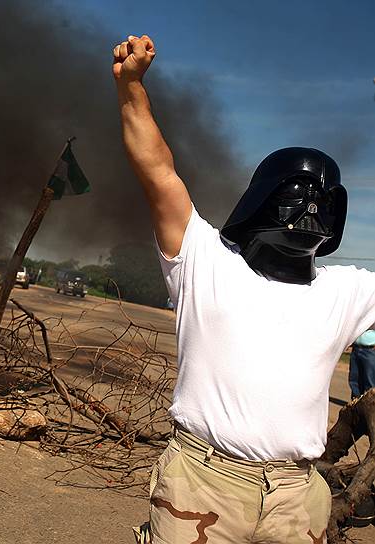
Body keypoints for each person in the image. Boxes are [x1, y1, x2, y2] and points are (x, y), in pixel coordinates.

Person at [113, 35, 375, 543]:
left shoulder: (348, 292)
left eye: (325, 200)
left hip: (297, 493)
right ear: (262, 200)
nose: (313, 208)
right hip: (203, 484)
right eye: (300, 195)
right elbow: (157, 170)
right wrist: (131, 88)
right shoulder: (205, 259)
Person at [349, 327, 375, 399]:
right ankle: (356, 405)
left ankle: (370, 406)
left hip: (370, 350)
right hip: (356, 349)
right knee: (354, 380)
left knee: (370, 381)